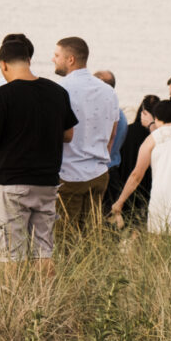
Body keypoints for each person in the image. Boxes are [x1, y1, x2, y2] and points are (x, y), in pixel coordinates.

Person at [0, 35, 75, 271]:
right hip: (47, 183)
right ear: (28, 61)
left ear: (4, 65)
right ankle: (44, 302)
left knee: (8, 255)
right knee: (43, 252)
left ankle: (13, 306)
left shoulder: (3, 94)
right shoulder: (57, 92)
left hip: (10, 184)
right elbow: (68, 135)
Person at [110, 96, 171, 233]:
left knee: (159, 239)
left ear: (156, 119)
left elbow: (136, 176)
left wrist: (119, 202)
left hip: (167, 196)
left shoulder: (152, 139)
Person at [51, 38, 118, 238]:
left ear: (70, 59)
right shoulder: (108, 91)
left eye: (56, 55)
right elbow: (112, 133)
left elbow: (55, 133)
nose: (52, 59)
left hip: (68, 174)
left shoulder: (60, 90)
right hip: (99, 173)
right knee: (92, 238)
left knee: (64, 239)